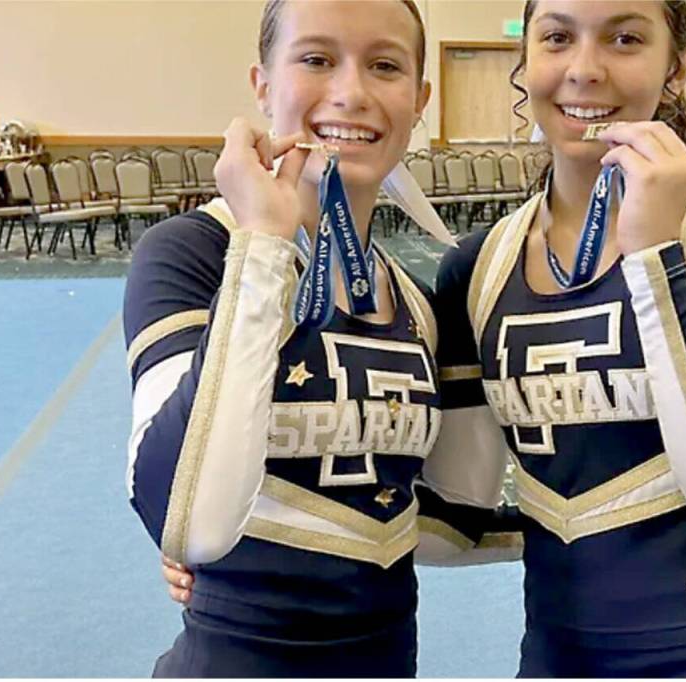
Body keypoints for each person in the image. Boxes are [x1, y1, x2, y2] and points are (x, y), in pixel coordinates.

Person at [163, 0, 686, 676]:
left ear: (675, 67)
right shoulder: (477, 269)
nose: (585, 69)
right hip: (557, 662)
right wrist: (242, 526)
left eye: (624, 38)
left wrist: (655, 263)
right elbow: (454, 514)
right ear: (524, 62)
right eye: (557, 37)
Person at [124, 0, 517, 676]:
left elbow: (447, 521)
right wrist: (263, 246)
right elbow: (184, 516)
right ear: (262, 85)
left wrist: (607, 526)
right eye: (316, 59)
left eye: (385, 66)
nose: (351, 92)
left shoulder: (417, 305)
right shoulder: (195, 254)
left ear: (419, 100)